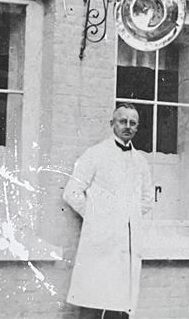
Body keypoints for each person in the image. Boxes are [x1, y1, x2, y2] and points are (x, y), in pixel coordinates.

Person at [62, 103, 153, 319]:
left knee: (120, 305)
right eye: (123, 121)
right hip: (99, 242)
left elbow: (147, 200)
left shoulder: (140, 161)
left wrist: (128, 219)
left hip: (126, 246)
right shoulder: (95, 154)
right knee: (93, 299)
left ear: (137, 127)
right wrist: (98, 218)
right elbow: (72, 192)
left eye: (133, 123)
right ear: (112, 123)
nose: (127, 126)